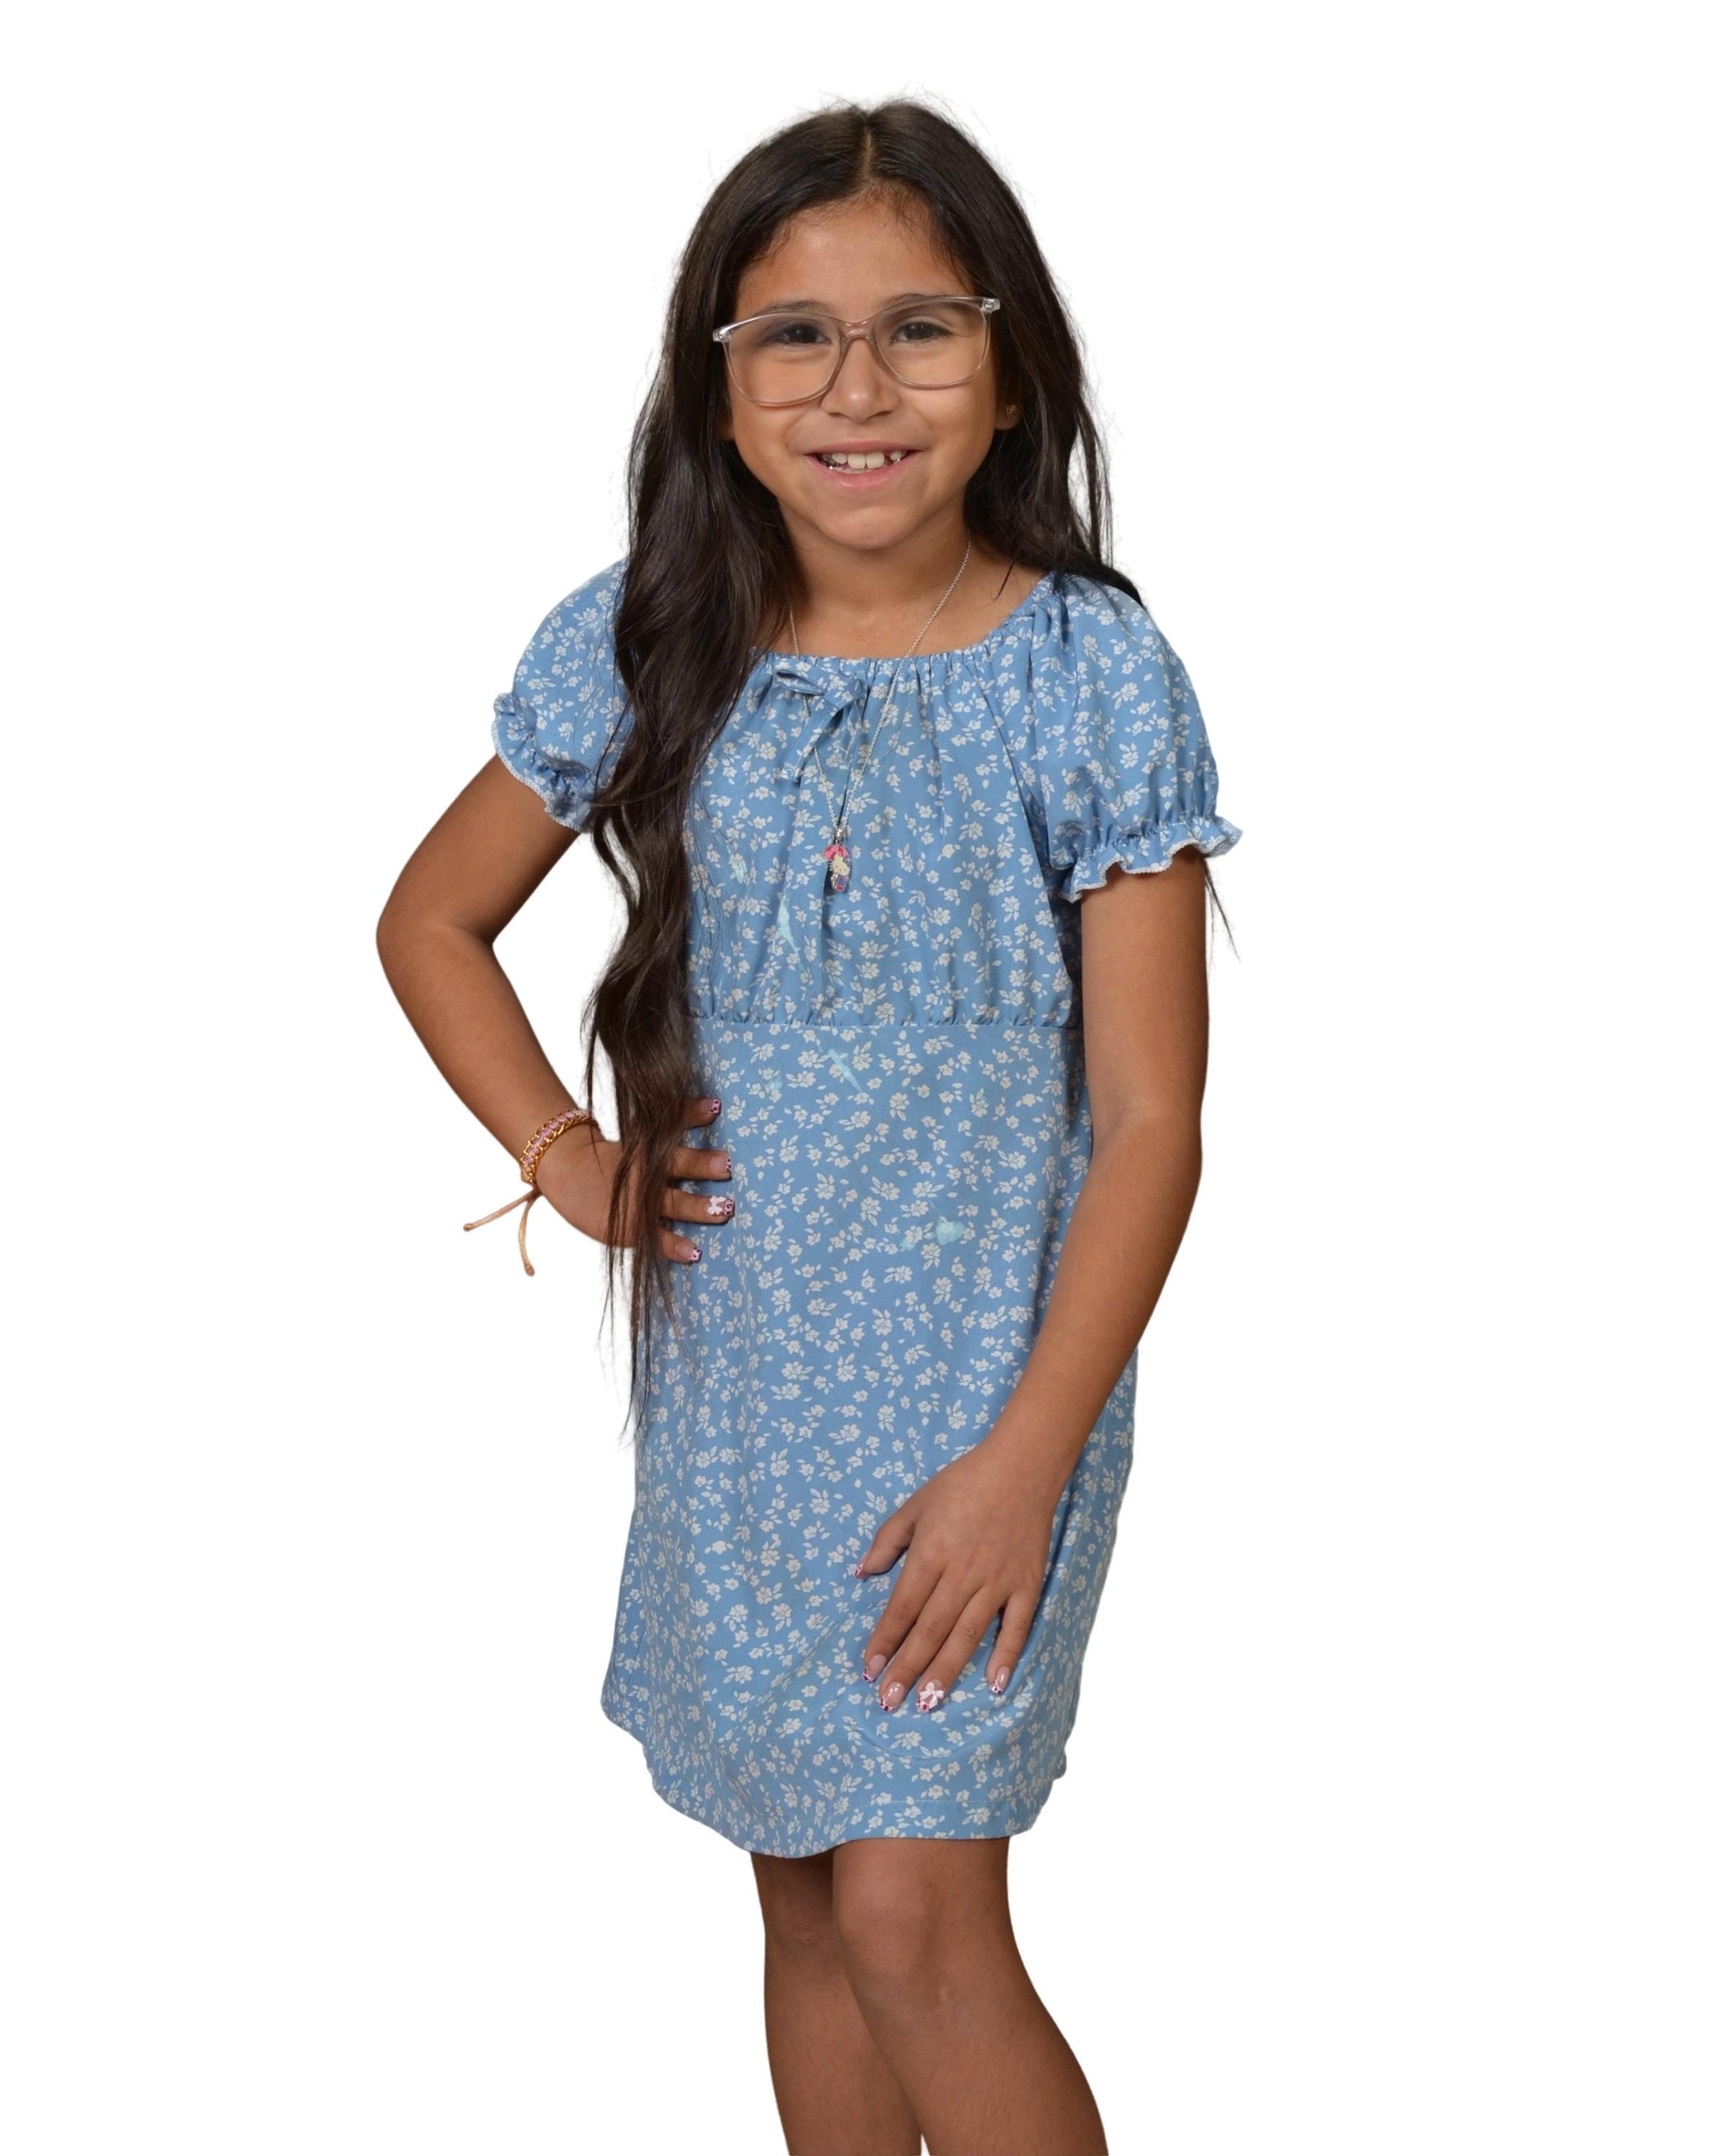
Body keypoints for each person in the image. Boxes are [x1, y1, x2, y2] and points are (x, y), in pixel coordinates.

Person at [374, 76, 1246, 2156]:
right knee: (797, 1890)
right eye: (795, 334)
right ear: (719, 379)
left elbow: (1151, 1124)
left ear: (1011, 366)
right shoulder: (636, 644)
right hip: (744, 1397)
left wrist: (1026, 1463)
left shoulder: (1090, 675)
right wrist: (573, 1161)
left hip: (990, 1404)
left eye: (919, 327)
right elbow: (428, 922)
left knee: (914, 1912)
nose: (859, 388)